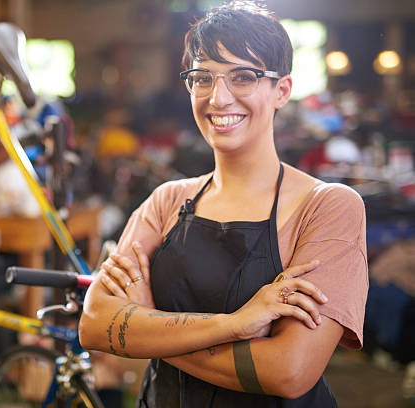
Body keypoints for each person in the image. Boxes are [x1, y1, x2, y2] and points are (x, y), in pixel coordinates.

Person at [79, 1, 368, 407]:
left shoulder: (326, 207)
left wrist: (149, 329)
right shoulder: (167, 200)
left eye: (244, 77)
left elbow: (290, 371)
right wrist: (234, 325)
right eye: (202, 78)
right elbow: (93, 325)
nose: (219, 97)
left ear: (281, 90)